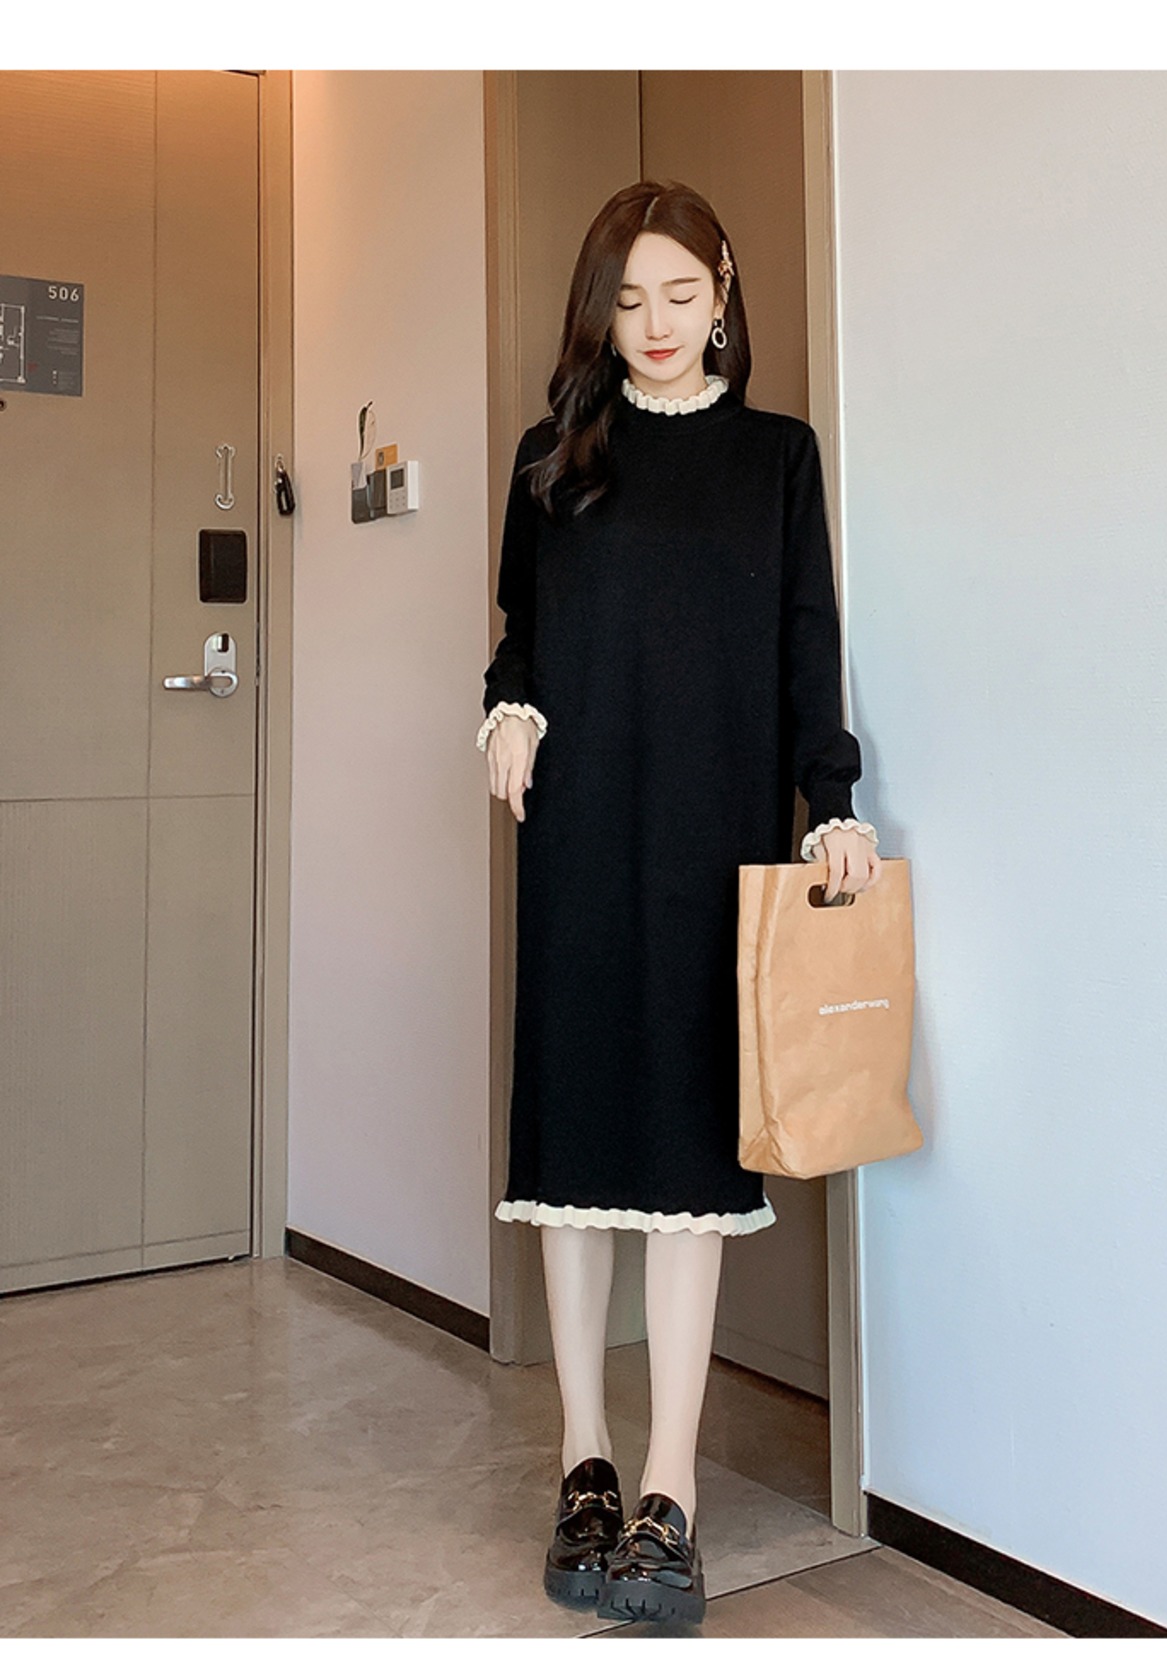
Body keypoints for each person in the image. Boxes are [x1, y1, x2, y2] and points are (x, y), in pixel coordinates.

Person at [477, 180, 881, 1627]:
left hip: (714, 840)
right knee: (578, 1144)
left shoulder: (778, 458)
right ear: (600, 312)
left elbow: (807, 646)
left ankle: (669, 1491)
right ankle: (583, 1460)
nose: (654, 325)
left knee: (690, 1170)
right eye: (627, 300)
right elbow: (520, 635)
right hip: (581, 836)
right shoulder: (551, 460)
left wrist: (831, 801)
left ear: (724, 290)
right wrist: (510, 710)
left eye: (680, 295)